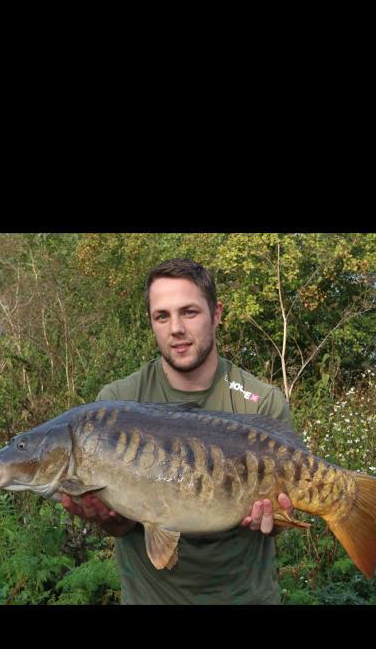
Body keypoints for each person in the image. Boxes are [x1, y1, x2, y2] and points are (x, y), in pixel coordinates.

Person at [60, 258, 297, 605]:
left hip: (246, 597)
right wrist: (107, 518)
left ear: (216, 314)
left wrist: (275, 519)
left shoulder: (259, 401)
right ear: (151, 322)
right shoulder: (115, 403)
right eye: (162, 316)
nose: (176, 329)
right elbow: (120, 525)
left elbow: (279, 520)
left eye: (189, 312)